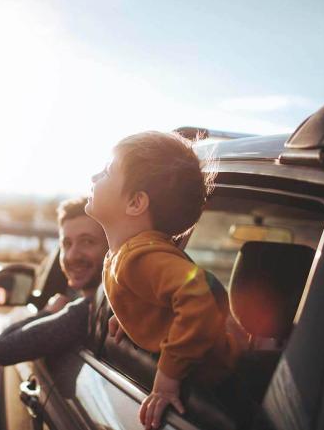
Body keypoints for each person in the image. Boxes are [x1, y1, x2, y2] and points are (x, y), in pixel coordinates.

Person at [85, 131, 238, 430]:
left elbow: (197, 296)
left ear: (135, 202)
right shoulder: (134, 254)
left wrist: (168, 377)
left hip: (218, 383)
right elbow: (159, 295)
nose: (94, 176)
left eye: (106, 171)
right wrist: (133, 315)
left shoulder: (139, 257)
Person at [0, 196, 108, 365]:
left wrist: (49, 312)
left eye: (87, 241)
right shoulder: (106, 309)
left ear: (111, 248)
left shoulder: (86, 312)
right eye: (66, 244)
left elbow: (0, 349)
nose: (72, 255)